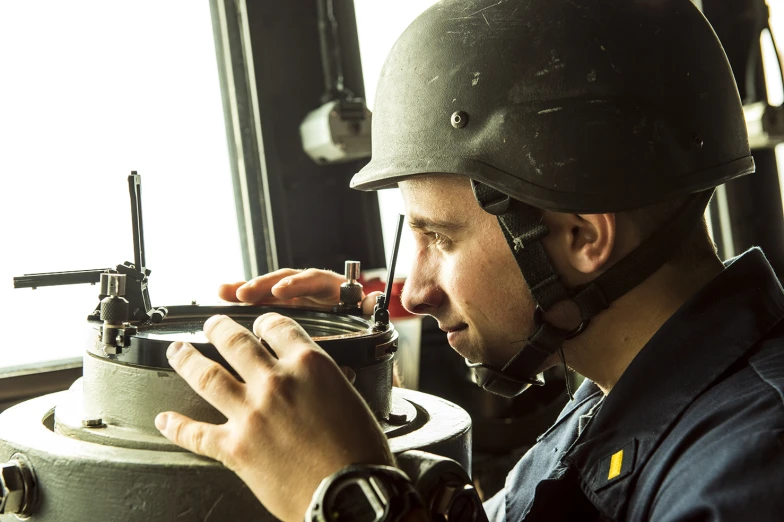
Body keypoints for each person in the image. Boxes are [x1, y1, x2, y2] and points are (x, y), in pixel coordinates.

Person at [153, 0, 784, 520]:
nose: (416, 290)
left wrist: (348, 493)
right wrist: (355, 417)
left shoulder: (752, 466)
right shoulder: (614, 388)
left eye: (441, 237)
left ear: (583, 237)